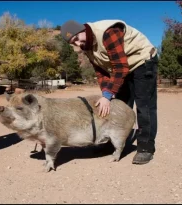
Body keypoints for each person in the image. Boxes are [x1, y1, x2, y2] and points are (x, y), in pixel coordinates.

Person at [60, 19, 158, 165]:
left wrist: (107, 95)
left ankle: (145, 148)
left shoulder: (108, 32)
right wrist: (106, 93)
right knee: (119, 106)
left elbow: (120, 67)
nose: (77, 44)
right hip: (123, 67)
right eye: (73, 43)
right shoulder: (87, 46)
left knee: (144, 106)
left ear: (82, 30)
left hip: (142, 61)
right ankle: (115, 143)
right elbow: (101, 71)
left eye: (76, 39)